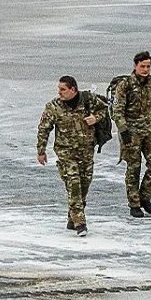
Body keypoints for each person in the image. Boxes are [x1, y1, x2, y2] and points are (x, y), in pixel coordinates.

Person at [37, 76, 108, 237]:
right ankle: (80, 222)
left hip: (86, 151)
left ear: (73, 90)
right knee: (74, 183)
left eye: (63, 89)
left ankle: (72, 215)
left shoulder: (89, 100)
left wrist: (95, 118)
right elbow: (43, 129)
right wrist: (41, 151)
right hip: (65, 152)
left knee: (84, 185)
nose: (59, 92)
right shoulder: (53, 107)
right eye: (59, 89)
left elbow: (104, 109)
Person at [111, 51, 151, 218]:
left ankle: (145, 197)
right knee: (134, 167)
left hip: (149, 129)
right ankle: (134, 203)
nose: (145, 69)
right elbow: (117, 110)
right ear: (135, 66)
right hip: (131, 131)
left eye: (148, 66)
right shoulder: (125, 85)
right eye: (142, 66)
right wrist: (123, 131)